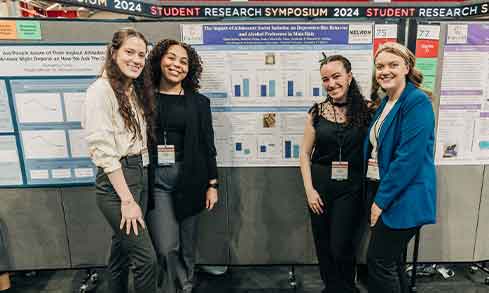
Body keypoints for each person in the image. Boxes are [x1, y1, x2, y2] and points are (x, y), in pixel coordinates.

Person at [82, 27, 158, 293]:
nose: (137, 59)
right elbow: (103, 151)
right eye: (129, 52)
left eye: (141, 54)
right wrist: (127, 200)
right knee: (147, 260)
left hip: (139, 171)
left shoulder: (131, 90)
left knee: (121, 252)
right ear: (113, 53)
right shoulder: (99, 92)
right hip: (118, 183)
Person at [147, 39, 218, 293]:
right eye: (171, 57)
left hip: (191, 179)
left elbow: (208, 145)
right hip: (157, 182)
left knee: (188, 245)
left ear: (190, 68)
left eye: (184, 61)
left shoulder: (199, 103)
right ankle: (169, 288)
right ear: (158, 60)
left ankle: (185, 286)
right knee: (168, 246)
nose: (177, 64)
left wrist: (213, 184)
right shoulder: (144, 98)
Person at [364, 42, 436, 293]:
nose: (385, 71)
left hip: (405, 197)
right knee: (392, 260)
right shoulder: (387, 102)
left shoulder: (416, 102)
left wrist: (380, 201)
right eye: (380, 66)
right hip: (389, 192)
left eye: (393, 65)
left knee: (379, 261)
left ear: (407, 67)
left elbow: (408, 158)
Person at [299, 54, 370, 293]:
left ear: (349, 77)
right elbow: (304, 154)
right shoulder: (316, 112)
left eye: (336, 76)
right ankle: (331, 288)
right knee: (323, 245)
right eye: (325, 79)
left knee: (342, 245)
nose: (331, 83)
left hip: (351, 188)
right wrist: (309, 190)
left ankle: (347, 288)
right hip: (319, 187)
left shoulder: (367, 110)